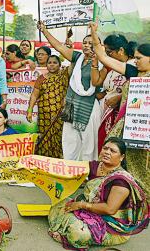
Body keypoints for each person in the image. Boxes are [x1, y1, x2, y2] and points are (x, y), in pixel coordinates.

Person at [48, 138, 149, 250]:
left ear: (121, 157)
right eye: (105, 148)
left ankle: (67, 233)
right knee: (58, 205)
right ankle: (68, 227)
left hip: (110, 225)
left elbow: (110, 209)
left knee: (80, 234)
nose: (107, 152)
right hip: (88, 211)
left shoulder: (121, 181)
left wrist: (81, 205)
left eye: (112, 151)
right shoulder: (95, 166)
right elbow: (69, 169)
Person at [90, 22, 150, 196]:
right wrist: (94, 34)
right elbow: (103, 56)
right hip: (127, 126)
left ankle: (143, 198)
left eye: (139, 58)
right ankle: (120, 196)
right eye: (136, 57)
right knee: (116, 157)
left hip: (145, 130)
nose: (135, 61)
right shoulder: (132, 71)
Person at [38, 21, 102, 161]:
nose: (86, 45)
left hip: (89, 107)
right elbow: (59, 46)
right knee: (70, 141)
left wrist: (94, 33)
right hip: (72, 106)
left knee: (88, 144)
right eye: (85, 42)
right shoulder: (78, 58)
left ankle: (87, 174)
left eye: (91, 43)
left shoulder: (102, 62)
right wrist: (44, 30)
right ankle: (71, 171)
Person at [90, 33, 136, 152]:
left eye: (109, 52)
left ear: (121, 50)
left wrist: (119, 98)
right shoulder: (111, 66)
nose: (108, 55)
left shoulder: (133, 67)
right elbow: (98, 83)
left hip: (120, 114)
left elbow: (136, 90)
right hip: (105, 110)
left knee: (114, 146)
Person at [27, 55, 69, 158]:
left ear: (59, 65)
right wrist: (29, 110)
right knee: (44, 137)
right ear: (46, 65)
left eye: (55, 62)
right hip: (44, 114)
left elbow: (72, 63)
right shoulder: (41, 78)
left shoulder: (64, 75)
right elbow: (34, 95)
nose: (52, 65)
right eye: (50, 62)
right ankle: (44, 160)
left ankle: (59, 161)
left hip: (60, 114)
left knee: (60, 137)